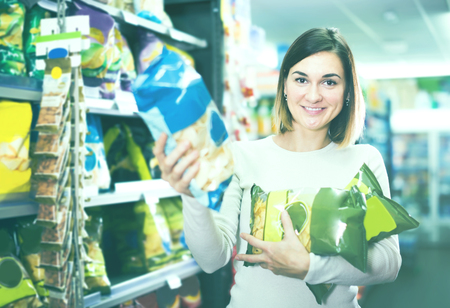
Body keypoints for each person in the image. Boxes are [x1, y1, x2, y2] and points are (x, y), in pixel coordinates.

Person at [153, 27, 401, 307]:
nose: (313, 95)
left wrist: (309, 266)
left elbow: (389, 263)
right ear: (284, 85)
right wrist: (191, 195)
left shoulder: (363, 159)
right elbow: (212, 260)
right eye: (301, 79)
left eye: (329, 82)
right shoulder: (241, 155)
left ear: (347, 92)